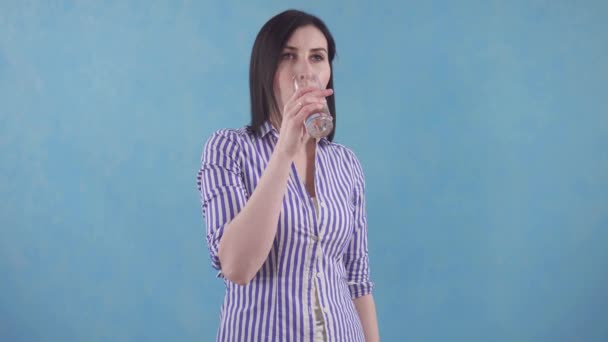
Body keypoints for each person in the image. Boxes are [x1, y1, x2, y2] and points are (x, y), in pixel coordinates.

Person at [196, 9, 379, 342]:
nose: (305, 72)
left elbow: (358, 279)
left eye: (317, 58)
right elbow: (237, 267)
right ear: (266, 70)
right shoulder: (228, 149)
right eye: (288, 56)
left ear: (328, 74)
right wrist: (283, 151)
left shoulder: (346, 164)